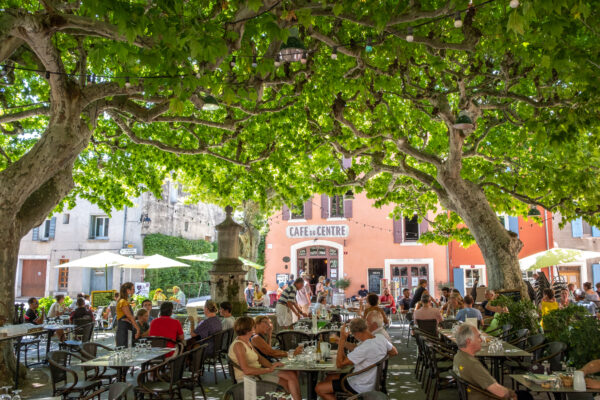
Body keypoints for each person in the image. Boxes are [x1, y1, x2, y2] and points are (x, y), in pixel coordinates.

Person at [315, 319, 397, 399]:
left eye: (353, 335)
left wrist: (342, 340)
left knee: (319, 388)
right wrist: (377, 356)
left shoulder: (364, 348)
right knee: (330, 377)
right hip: (373, 381)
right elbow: (394, 352)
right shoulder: (380, 338)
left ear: (357, 334)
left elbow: (339, 364)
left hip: (360, 386)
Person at [228, 316, 301, 400]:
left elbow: (260, 358)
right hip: (249, 378)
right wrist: (269, 370)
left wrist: (272, 367)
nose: (254, 327)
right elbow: (246, 370)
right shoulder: (239, 345)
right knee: (284, 383)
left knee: (290, 374)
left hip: (259, 372)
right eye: (253, 326)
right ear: (249, 329)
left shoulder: (246, 341)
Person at [453, 324, 533, 400]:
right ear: (468, 341)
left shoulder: (458, 356)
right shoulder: (472, 364)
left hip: (470, 395)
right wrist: (512, 394)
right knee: (525, 396)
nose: (481, 340)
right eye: (478, 337)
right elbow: (501, 393)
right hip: (485, 397)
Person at [115, 282, 141, 347]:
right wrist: (138, 329)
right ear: (128, 290)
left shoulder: (124, 301)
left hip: (125, 329)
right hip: (123, 331)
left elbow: (128, 317)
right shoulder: (123, 302)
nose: (134, 291)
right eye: (133, 289)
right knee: (124, 351)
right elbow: (129, 316)